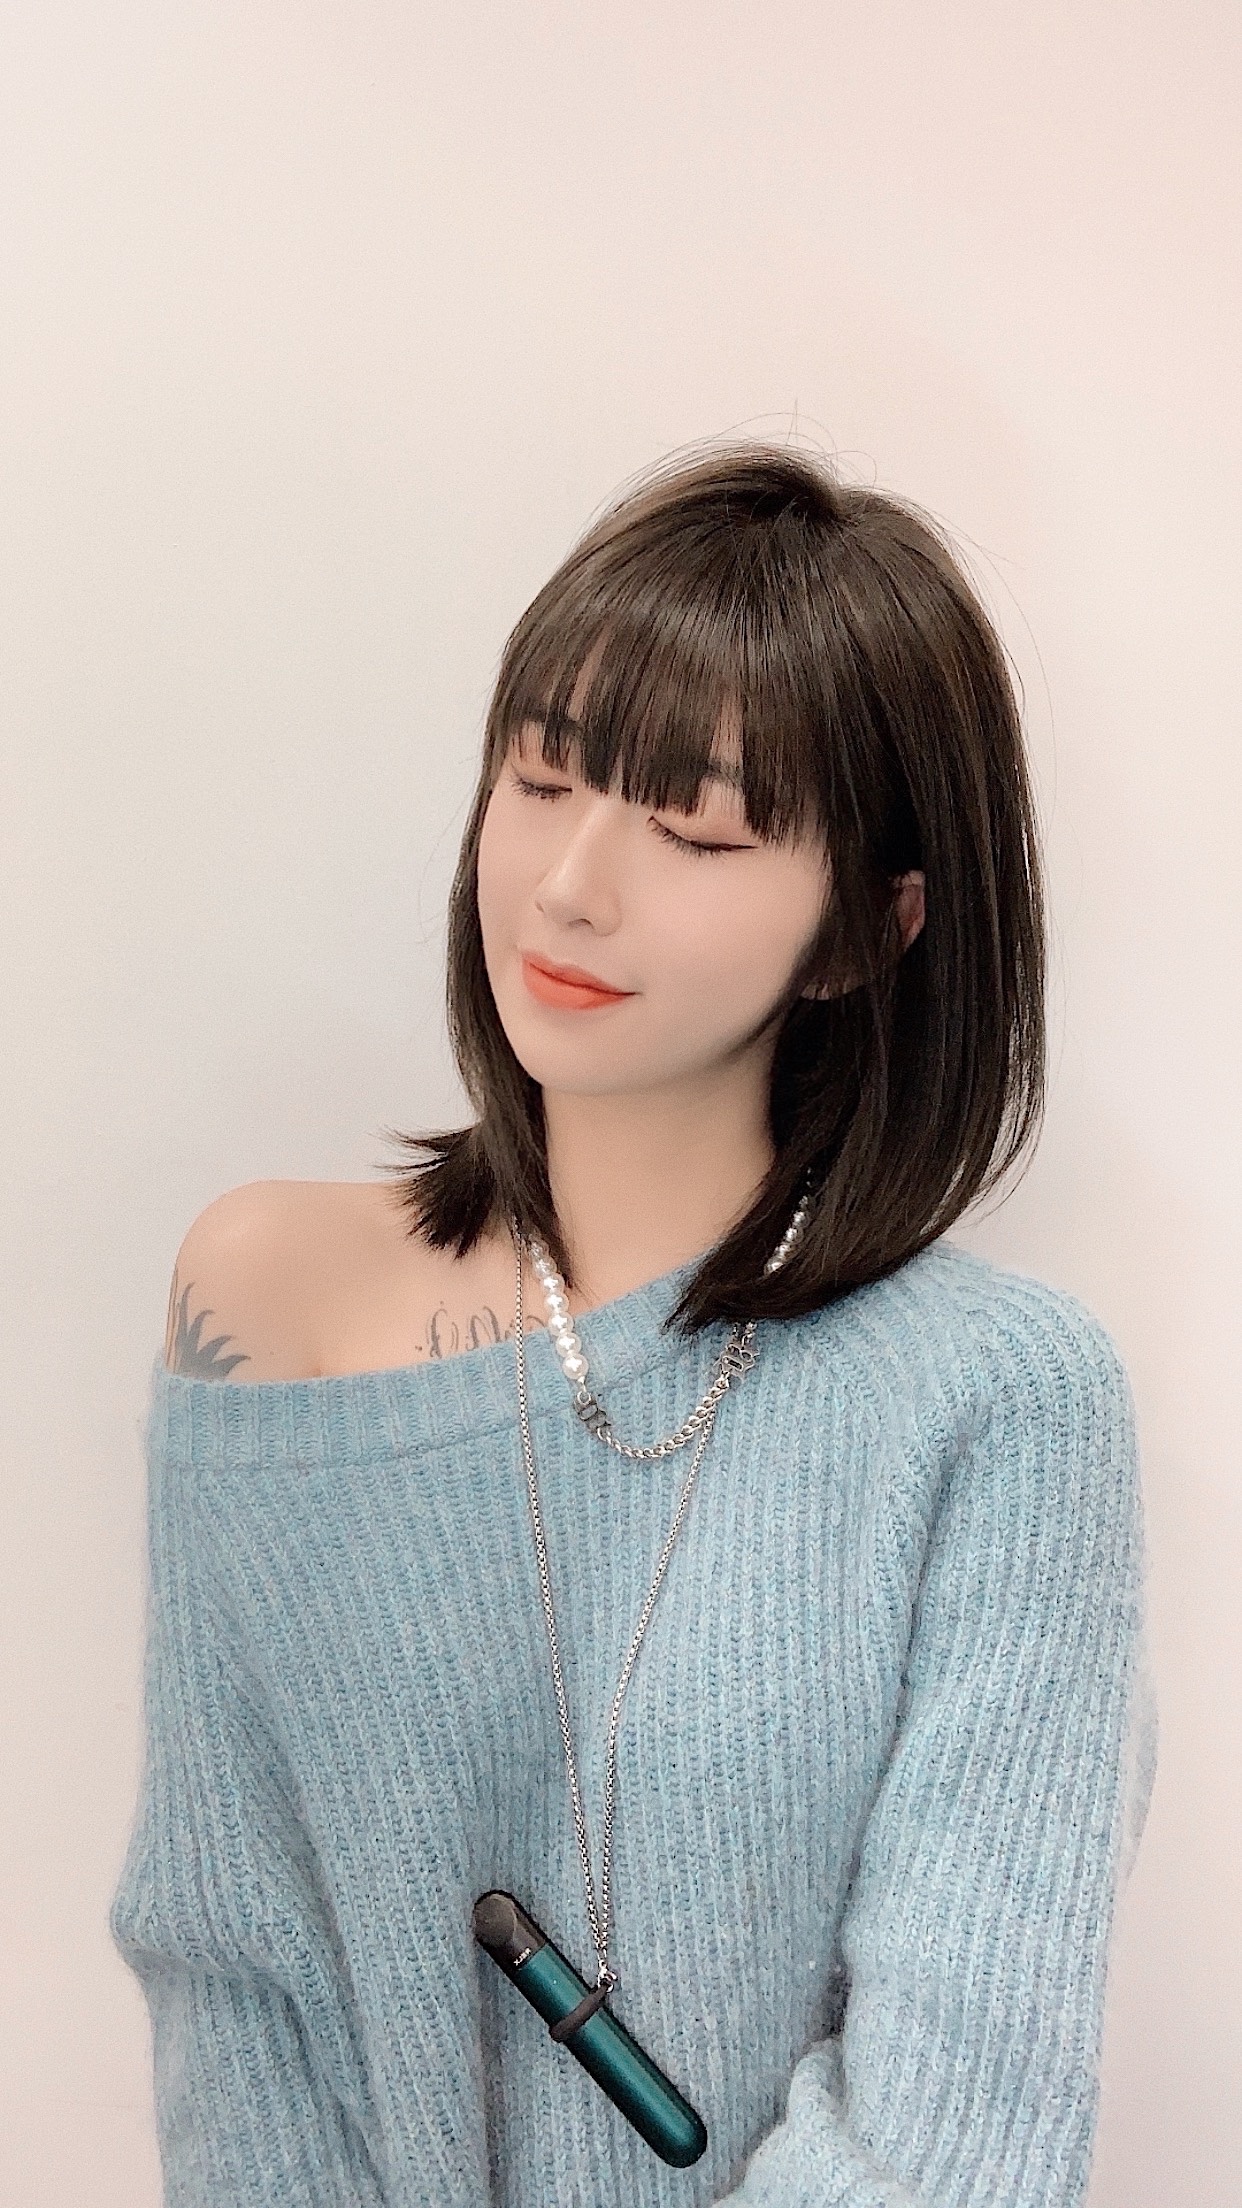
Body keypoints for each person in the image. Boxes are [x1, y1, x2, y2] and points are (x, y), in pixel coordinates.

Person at [109, 442, 1158, 2206]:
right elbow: (239, 1986)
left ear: (868, 929)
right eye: (540, 779)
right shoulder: (267, 1299)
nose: (570, 885)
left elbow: (956, 2123)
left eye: (696, 829)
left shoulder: (996, 1401)